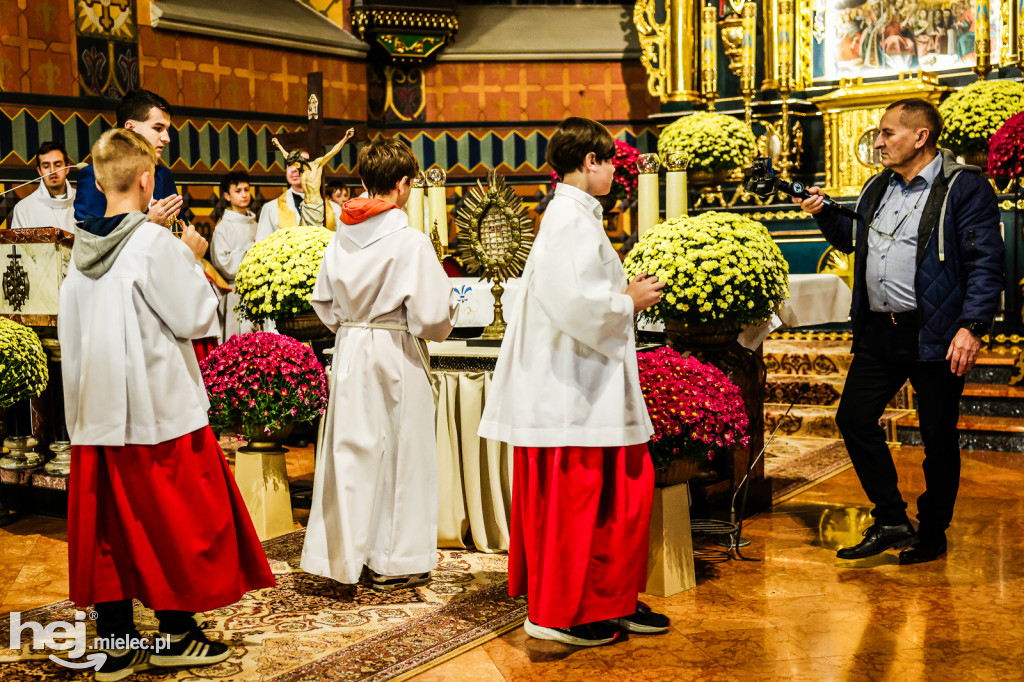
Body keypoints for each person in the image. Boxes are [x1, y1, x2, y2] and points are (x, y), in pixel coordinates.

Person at [58, 128, 275, 682]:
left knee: (113, 532)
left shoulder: (79, 253)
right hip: (156, 415)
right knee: (172, 524)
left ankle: (115, 644)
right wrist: (193, 255)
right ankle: (177, 635)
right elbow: (198, 318)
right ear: (146, 178)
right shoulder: (154, 245)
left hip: (96, 416)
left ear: (99, 181)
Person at [478, 117, 668, 647]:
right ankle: (560, 613)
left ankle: (608, 599)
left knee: (613, 500)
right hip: (571, 392)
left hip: (590, 385)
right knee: (580, 503)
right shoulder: (567, 219)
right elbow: (573, 304)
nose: (614, 172)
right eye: (610, 162)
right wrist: (627, 300)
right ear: (590, 162)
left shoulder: (577, 215)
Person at [794, 98, 1004, 565]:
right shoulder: (877, 187)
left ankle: (932, 531)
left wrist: (971, 327)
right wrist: (823, 212)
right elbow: (855, 241)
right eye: (879, 133)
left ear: (921, 136)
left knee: (937, 439)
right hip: (879, 331)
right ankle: (890, 519)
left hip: (934, 331)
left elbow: (985, 263)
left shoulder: (963, 187)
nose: (878, 141)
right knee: (854, 418)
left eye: (888, 133)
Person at [300, 137, 459, 591]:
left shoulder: (340, 236)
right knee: (401, 454)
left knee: (352, 454)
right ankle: (394, 560)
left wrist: (352, 328)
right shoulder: (409, 241)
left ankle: (348, 558)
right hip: (393, 351)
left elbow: (323, 302)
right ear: (404, 184)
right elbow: (430, 319)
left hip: (350, 349)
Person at [74, 89, 182, 226]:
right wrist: (149, 223)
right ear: (131, 128)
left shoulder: (164, 176)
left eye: (167, 130)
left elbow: (179, 226)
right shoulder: (94, 175)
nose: (167, 138)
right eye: (158, 128)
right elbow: (92, 236)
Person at [211, 170, 258, 340]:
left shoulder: (255, 224)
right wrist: (249, 252)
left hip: (256, 291)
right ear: (227, 196)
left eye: (246, 189)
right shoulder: (223, 228)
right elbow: (223, 264)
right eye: (238, 191)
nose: (244, 195)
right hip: (235, 292)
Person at [256, 151, 344, 241]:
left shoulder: (334, 209)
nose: (294, 169)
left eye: (299, 164)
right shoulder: (270, 208)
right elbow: (261, 244)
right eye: (290, 165)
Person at [9, 141, 77, 231]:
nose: (52, 170)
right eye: (46, 166)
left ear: (67, 169)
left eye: (58, 165)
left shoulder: (84, 201)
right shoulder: (23, 208)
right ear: (39, 171)